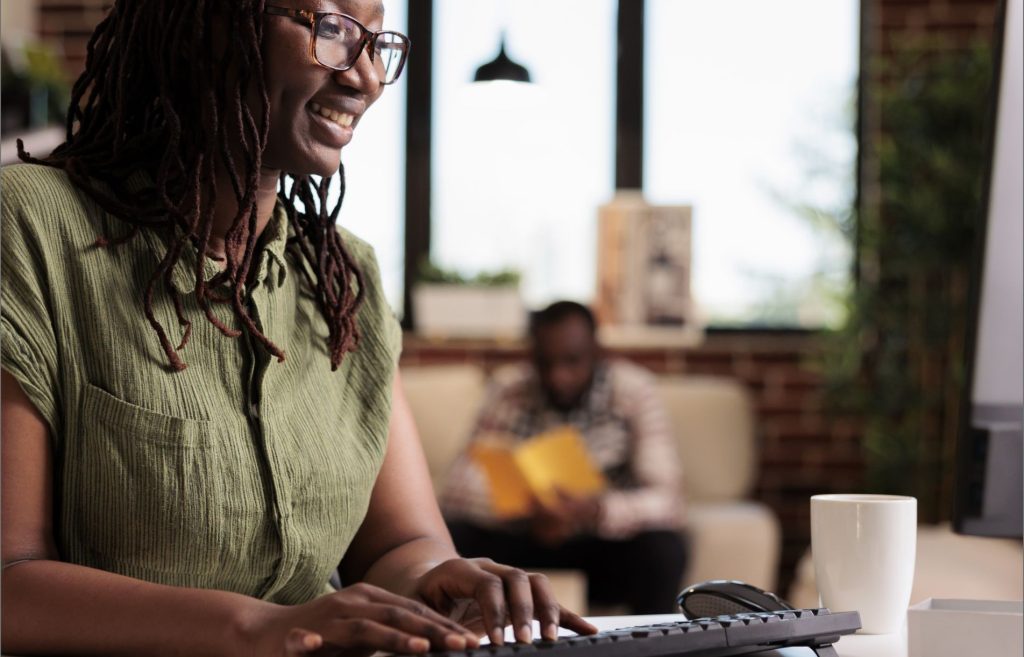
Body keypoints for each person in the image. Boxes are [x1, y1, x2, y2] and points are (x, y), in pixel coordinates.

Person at [0, 2, 597, 655]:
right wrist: (258, 626)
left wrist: (438, 579)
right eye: (333, 29)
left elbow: (399, 543)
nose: (366, 77)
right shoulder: (30, 228)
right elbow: (10, 585)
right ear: (214, 21)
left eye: (376, 43)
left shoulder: (344, 280)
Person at [441, 301, 688, 614]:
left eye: (572, 361)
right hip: (524, 536)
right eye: (545, 363)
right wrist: (530, 511)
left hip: (599, 544)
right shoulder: (509, 388)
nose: (558, 376)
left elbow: (669, 499)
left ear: (597, 351)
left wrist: (594, 510)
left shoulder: (634, 390)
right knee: (449, 533)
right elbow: (455, 489)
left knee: (664, 549)